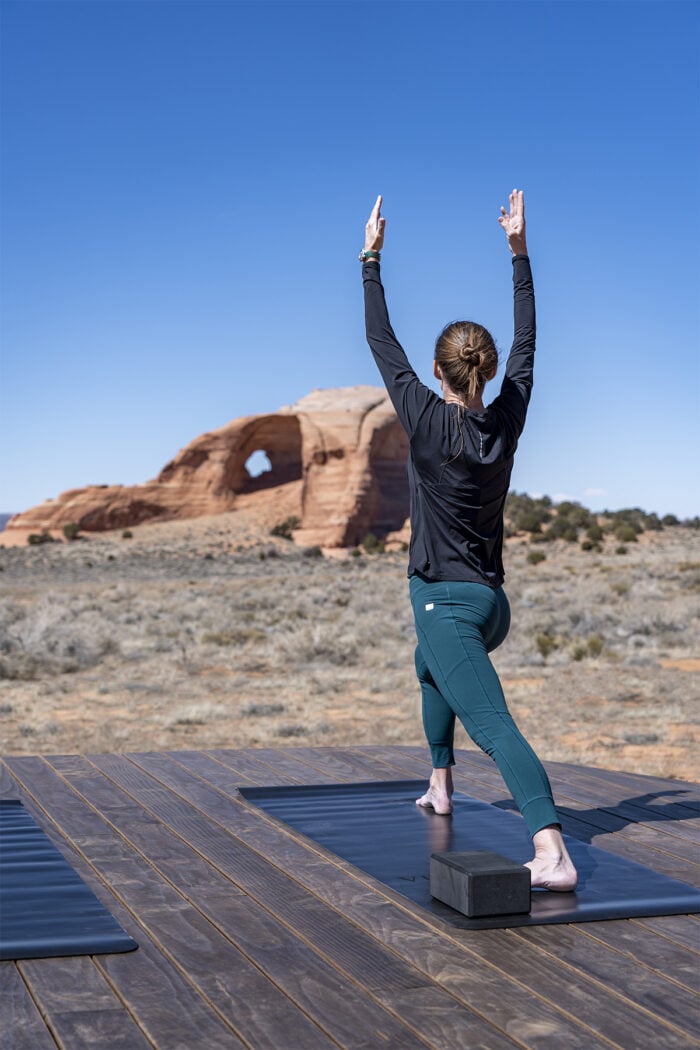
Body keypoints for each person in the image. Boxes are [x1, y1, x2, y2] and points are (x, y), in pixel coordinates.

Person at [361, 190, 577, 891]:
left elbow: (380, 342)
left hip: (448, 601)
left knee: (494, 723)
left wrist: (371, 259)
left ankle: (552, 851)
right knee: (429, 668)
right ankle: (440, 784)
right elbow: (528, 345)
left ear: (438, 373)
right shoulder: (506, 418)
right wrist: (518, 253)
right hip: (489, 601)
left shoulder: (424, 420)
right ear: (482, 372)